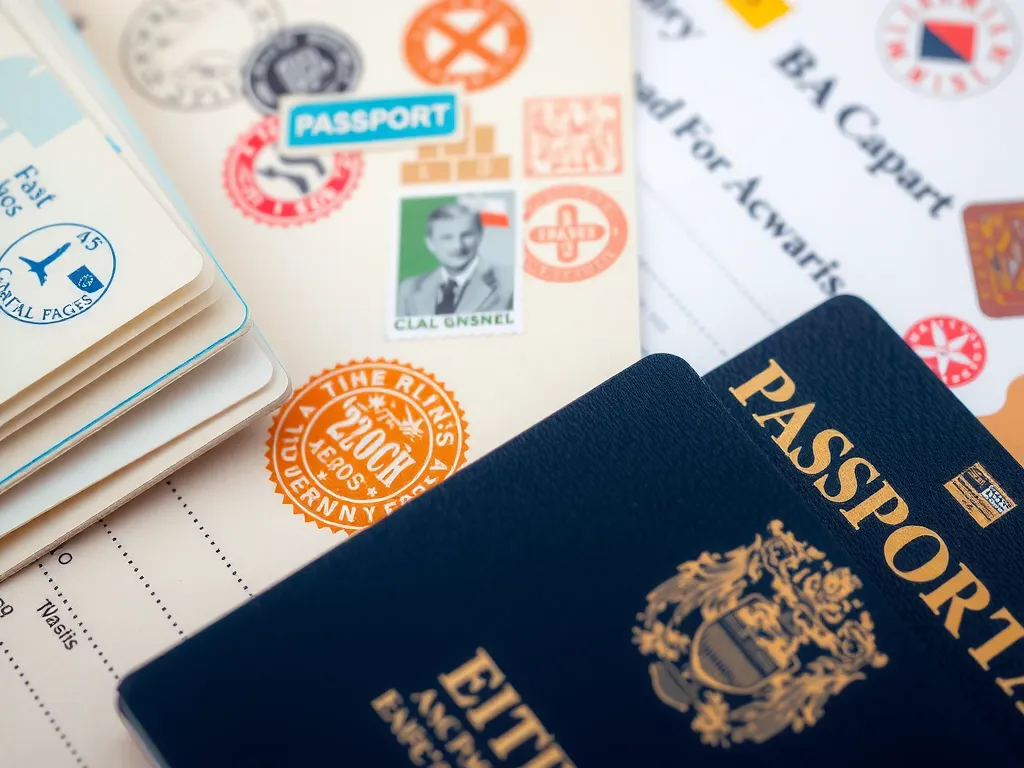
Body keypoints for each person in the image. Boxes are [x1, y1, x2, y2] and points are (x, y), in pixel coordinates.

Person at [397, 203, 513, 317]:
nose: (458, 246)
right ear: (430, 243)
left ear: (480, 236)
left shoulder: (508, 282)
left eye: (466, 235)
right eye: (447, 237)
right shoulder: (409, 289)